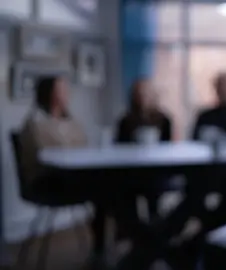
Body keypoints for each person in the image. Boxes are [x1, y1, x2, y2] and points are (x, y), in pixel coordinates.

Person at [18, 77, 107, 261]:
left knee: (108, 187)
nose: (66, 94)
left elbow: (82, 143)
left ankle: (101, 246)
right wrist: (68, 143)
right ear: (48, 93)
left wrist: (67, 143)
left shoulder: (69, 120)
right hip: (47, 182)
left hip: (69, 178)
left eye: (66, 90)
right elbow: (47, 153)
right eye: (61, 90)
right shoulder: (35, 122)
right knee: (104, 189)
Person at [116, 79, 173, 222]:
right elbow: (118, 147)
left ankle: (154, 230)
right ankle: (132, 232)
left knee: (153, 189)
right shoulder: (125, 120)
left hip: (156, 171)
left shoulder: (164, 120)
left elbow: (169, 148)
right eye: (139, 93)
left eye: (146, 93)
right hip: (131, 171)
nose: (142, 96)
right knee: (120, 191)